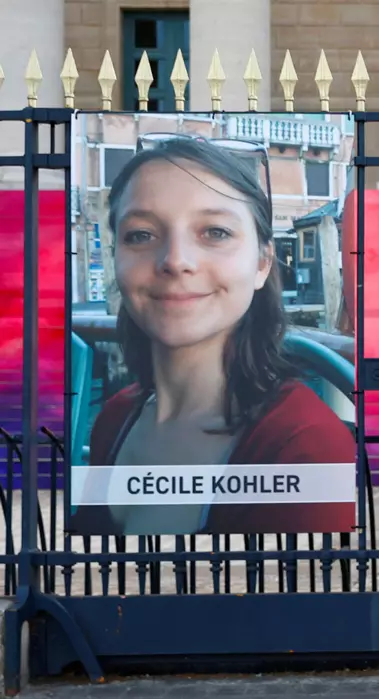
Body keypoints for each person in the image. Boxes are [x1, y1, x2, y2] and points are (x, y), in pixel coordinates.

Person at [78, 137, 355, 535]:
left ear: (262, 262)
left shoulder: (306, 447)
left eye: (215, 232)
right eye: (141, 235)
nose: (175, 261)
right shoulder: (114, 418)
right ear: (116, 259)